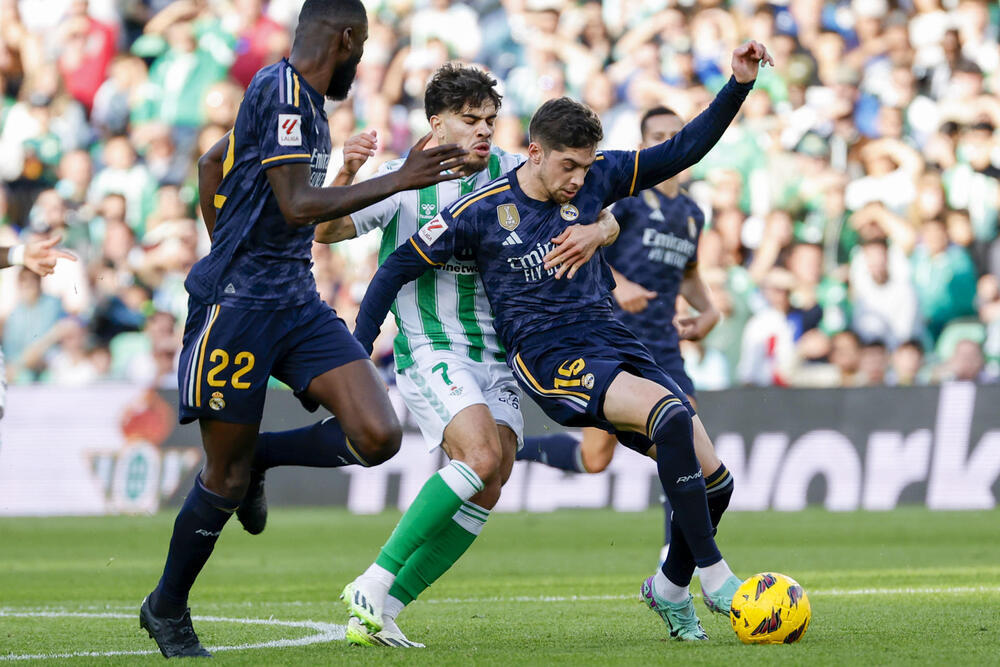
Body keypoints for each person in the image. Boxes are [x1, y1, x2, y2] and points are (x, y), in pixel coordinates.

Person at [352, 41, 773, 642]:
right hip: (549, 358)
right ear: (535, 152)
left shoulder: (598, 179)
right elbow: (396, 266)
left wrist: (737, 84)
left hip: (612, 340)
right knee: (671, 416)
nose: (579, 179)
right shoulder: (483, 209)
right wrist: (358, 347)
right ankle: (716, 577)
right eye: (567, 167)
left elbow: (682, 149)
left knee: (717, 483)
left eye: (586, 166)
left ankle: (670, 587)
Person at [138, 0, 473, 658]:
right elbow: (295, 205)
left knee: (377, 433)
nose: (364, 60)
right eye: (364, 46)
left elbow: (212, 165)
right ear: (345, 38)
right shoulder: (283, 90)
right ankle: (166, 606)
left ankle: (265, 454)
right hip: (237, 311)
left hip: (293, 299)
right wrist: (397, 179)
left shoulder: (304, 105)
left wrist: (230, 241)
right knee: (222, 478)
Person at [240, 62, 614, 648]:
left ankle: (385, 608)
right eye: (469, 120)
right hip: (432, 346)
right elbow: (327, 232)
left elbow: (593, 200)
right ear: (436, 122)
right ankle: (374, 577)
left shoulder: (521, 172)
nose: (483, 130)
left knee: (490, 483)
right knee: (481, 456)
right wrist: (349, 171)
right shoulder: (399, 178)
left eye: (490, 119)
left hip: (502, 353)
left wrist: (603, 232)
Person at [514, 106, 732, 568]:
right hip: (611, 337)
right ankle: (518, 446)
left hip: (663, 344)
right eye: (659, 134)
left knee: (683, 424)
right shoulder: (628, 199)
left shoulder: (691, 213)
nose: (670, 139)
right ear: (644, 140)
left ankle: (674, 553)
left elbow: (689, 272)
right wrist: (623, 284)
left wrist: (709, 309)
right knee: (596, 459)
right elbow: (585, 242)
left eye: (676, 134)